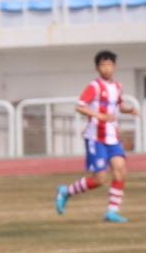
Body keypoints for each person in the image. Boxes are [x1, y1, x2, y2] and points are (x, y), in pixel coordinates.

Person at [56, 50, 134, 223]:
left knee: (120, 171)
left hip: (113, 137)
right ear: (97, 67)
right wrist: (98, 115)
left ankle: (112, 211)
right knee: (100, 179)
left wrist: (130, 110)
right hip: (96, 137)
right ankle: (66, 191)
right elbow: (80, 106)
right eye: (102, 65)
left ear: (114, 66)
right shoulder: (94, 86)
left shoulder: (117, 86)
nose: (106, 68)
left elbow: (119, 106)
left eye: (109, 65)